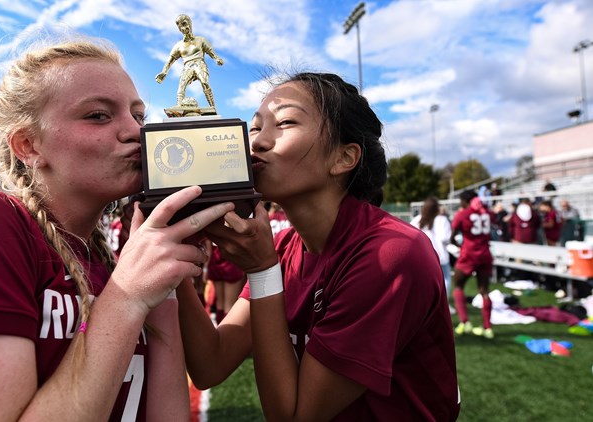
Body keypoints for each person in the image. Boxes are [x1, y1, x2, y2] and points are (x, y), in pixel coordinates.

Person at [0, 36, 235, 420]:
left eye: (138, 116)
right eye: (98, 116)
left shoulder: (108, 262)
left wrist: (163, 290)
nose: (135, 131)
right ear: (28, 145)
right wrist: (126, 299)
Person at [177, 72, 459, 420]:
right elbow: (210, 363)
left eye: (285, 122)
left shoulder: (390, 254)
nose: (257, 143)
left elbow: (293, 416)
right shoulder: (283, 246)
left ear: (343, 158)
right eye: (254, 127)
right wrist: (173, 259)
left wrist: (263, 272)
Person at [449, 190, 495, 339]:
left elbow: (452, 235)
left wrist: (456, 244)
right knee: (484, 291)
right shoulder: (487, 213)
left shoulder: (463, 214)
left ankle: (465, 322)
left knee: (458, 286)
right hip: (485, 254)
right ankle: (488, 327)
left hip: (469, 255)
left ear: (465, 201)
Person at [155, 14, 223, 110]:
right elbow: (170, 60)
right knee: (181, 87)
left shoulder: (200, 40)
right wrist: (164, 72)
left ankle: (212, 107)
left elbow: (210, 51)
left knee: (205, 82)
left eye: (184, 24)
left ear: (190, 24)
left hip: (200, 63)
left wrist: (216, 58)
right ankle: (179, 106)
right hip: (187, 66)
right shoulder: (179, 45)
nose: (183, 28)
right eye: (180, 27)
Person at [411, 196, 454, 312]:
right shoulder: (442, 220)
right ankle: (443, 304)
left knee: (424, 281)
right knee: (445, 280)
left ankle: (426, 304)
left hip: (423, 257)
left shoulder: (416, 220)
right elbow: (446, 238)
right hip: (440, 256)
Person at [206, 243, 246, 324]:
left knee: (220, 304)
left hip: (215, 256)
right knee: (230, 306)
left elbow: (207, 246)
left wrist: (205, 268)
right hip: (232, 257)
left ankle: (220, 330)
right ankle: (227, 334)